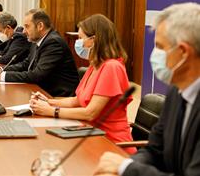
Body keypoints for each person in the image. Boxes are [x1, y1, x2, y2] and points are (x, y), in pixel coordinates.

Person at [94, 2, 200, 176]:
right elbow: (154, 150)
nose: (154, 53)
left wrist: (126, 168)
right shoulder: (177, 91)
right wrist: (120, 169)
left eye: (159, 46)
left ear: (183, 52)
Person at [29, 14, 136, 154]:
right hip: (90, 132)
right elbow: (77, 100)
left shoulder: (112, 67)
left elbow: (90, 113)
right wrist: (49, 102)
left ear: (94, 40)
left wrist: (52, 111)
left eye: (81, 38)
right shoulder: (95, 65)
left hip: (110, 143)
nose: (78, 43)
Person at [0, 9, 79, 97]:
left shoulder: (53, 42)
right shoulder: (37, 40)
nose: (23, 31)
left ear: (40, 26)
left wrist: (2, 76)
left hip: (58, 97)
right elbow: (26, 64)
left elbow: (36, 75)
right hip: (41, 92)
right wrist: (0, 70)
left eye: (27, 26)